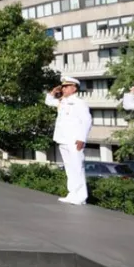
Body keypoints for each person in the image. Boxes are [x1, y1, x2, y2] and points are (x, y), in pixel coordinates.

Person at [45, 76, 92, 205]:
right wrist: (52, 93)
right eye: (63, 87)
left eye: (66, 87)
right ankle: (72, 193)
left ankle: (81, 196)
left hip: (74, 140)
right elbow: (48, 102)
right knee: (69, 168)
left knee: (77, 167)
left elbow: (87, 121)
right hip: (63, 139)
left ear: (74, 88)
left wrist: (82, 138)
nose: (63, 89)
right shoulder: (62, 102)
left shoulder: (79, 103)